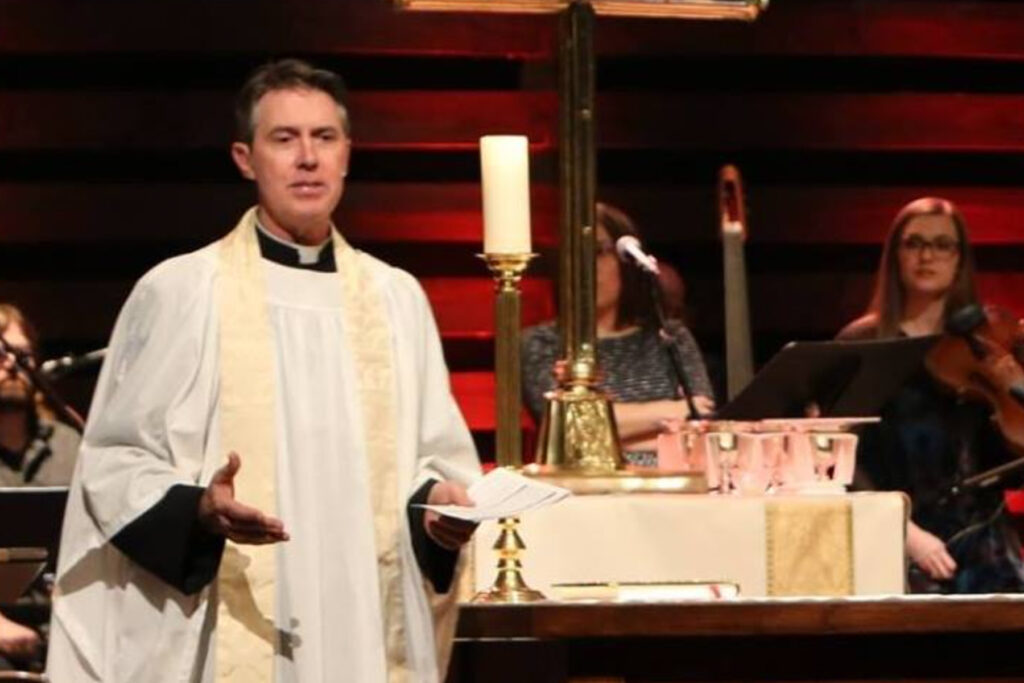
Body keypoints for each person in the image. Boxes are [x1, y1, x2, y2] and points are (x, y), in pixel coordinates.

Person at [47, 59, 481, 682]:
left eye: (324, 138)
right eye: (284, 138)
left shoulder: (395, 298)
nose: (307, 158)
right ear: (245, 158)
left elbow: (429, 464)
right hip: (233, 611)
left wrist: (437, 508)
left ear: (347, 155)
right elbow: (115, 462)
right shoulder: (181, 291)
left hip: (360, 612)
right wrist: (198, 510)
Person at [838, 196, 1024, 593]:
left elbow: (1009, 464)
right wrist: (901, 528)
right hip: (896, 537)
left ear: (959, 258)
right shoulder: (864, 343)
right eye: (914, 243)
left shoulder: (988, 342)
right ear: (895, 256)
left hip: (981, 540)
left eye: (942, 245)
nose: (928, 256)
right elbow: (838, 455)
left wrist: (1013, 393)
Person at [521, 202, 715, 466]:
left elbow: (701, 420)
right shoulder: (541, 342)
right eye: (575, 254)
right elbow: (566, 434)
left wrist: (606, 435)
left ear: (626, 262)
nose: (586, 267)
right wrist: (673, 413)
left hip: (672, 485)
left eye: (599, 252)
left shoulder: (669, 337)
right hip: (587, 491)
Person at [0, 304, 81, 672]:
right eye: (1, 353)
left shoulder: (73, 445)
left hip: (70, 628)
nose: (12, 364)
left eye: (23, 354)